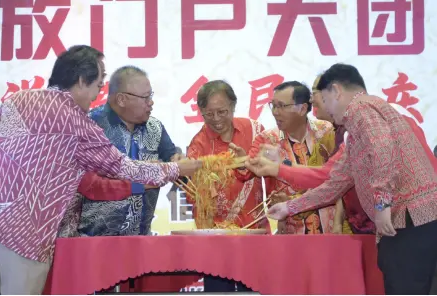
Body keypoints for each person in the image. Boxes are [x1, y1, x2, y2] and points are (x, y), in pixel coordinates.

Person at [0, 45, 201, 295]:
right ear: (81, 80)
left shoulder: (18, 99)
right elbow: (123, 168)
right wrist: (176, 169)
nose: (97, 95)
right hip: (27, 233)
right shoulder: (77, 121)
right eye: (98, 85)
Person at [262, 63, 437, 295]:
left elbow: (383, 148)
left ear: (336, 91)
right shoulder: (355, 131)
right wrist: (289, 207)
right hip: (409, 221)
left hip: (409, 218)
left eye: (323, 99)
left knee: (404, 287)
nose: (320, 108)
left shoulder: (361, 108)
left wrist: (382, 204)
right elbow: (335, 183)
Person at [74, 66, 183, 237]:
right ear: (122, 99)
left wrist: (177, 158)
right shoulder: (90, 126)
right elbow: (87, 181)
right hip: (94, 241)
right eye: (145, 97)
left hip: (141, 238)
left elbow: (171, 155)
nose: (151, 102)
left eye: (151, 96)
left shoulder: (155, 127)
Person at [186, 80, 266, 293]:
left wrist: (245, 162)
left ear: (233, 105)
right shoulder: (198, 145)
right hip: (217, 237)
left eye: (222, 112)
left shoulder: (255, 130)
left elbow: (271, 170)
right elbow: (192, 192)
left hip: (253, 230)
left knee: (255, 289)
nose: (217, 120)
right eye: (209, 114)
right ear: (201, 111)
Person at [233, 81, 337, 235]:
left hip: (331, 229)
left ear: (302, 109)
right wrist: (242, 163)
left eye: (281, 106)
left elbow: (338, 178)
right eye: (273, 105)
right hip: (291, 231)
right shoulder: (267, 139)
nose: (275, 112)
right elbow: (248, 170)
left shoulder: (327, 131)